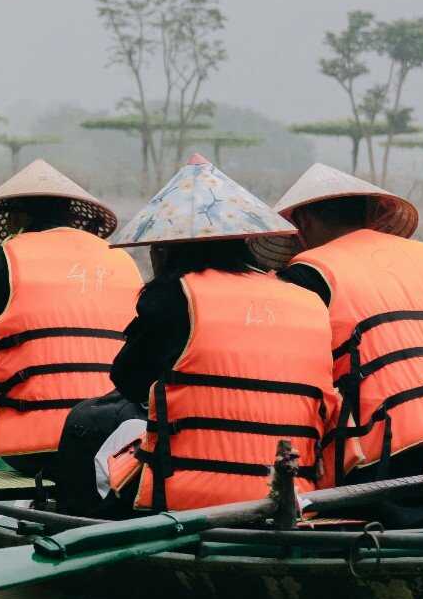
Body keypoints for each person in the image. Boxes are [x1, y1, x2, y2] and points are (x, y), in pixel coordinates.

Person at [56, 155, 336, 516]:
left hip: (194, 496)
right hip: (293, 489)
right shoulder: (306, 299)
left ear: (166, 247)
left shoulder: (176, 293)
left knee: (86, 419)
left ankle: (70, 529)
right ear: (242, 242)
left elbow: (129, 380)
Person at [274, 164, 423, 486]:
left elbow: (293, 387)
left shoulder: (308, 273)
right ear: (374, 213)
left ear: (301, 223)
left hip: (382, 460)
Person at [0, 161, 141, 475]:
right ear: (74, 217)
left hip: (38, 451)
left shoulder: (0, 264)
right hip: (113, 443)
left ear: (17, 216)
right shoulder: (122, 262)